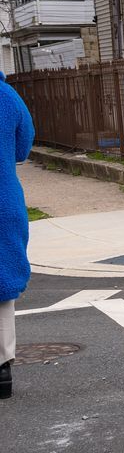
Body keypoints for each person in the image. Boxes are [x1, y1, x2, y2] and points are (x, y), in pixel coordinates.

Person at [0, 68, 35, 399]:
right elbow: (23, 148)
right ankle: (2, 370)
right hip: (3, 201)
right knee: (2, 288)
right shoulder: (8, 97)